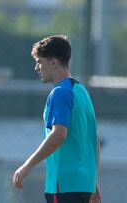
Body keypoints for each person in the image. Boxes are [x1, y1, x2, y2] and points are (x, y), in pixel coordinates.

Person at [12, 35, 102, 203]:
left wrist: (28, 165)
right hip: (82, 186)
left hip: (64, 186)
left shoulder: (60, 92)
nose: (36, 67)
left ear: (53, 62)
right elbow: (94, 138)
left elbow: (59, 133)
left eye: (39, 61)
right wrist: (92, 181)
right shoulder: (81, 92)